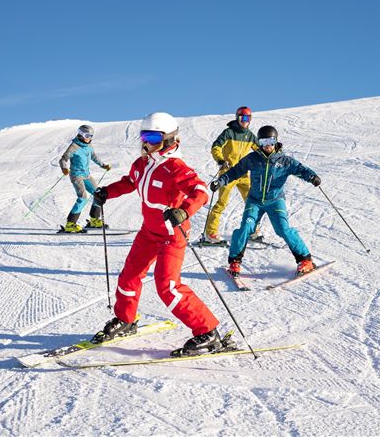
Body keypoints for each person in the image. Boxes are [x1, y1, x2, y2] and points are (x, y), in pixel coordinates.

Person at [91, 112, 223, 355]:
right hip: (149, 232)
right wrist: (108, 192)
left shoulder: (175, 167)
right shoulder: (141, 164)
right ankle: (126, 320)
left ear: (169, 139)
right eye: (143, 136)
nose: (146, 142)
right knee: (129, 275)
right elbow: (130, 182)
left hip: (173, 234)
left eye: (152, 136)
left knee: (168, 286)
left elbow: (200, 190)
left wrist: (184, 211)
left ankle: (208, 333)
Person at [210, 125, 322, 277]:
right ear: (259, 142)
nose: (267, 145)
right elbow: (235, 171)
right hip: (255, 200)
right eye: (263, 142)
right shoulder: (253, 158)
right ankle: (234, 263)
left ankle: (305, 260)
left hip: (275, 200)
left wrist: (311, 177)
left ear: (275, 141)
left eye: (270, 141)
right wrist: (221, 181)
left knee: (283, 229)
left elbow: (300, 169)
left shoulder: (284, 161)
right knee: (245, 229)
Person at [203, 106, 260, 244]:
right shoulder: (229, 133)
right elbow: (216, 147)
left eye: (248, 118)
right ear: (237, 118)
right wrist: (221, 160)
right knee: (221, 203)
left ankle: (252, 230)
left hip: (243, 173)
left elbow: (260, 151)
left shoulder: (250, 136)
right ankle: (210, 233)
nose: (245, 121)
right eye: (243, 118)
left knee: (252, 201)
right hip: (228, 173)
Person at [59, 124, 111, 233]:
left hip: (87, 175)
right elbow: (63, 159)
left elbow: (94, 157)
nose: (89, 138)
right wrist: (64, 168)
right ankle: (70, 224)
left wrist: (103, 165)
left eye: (91, 136)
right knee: (82, 197)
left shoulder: (89, 146)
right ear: (81, 134)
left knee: (98, 194)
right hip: (76, 175)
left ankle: (93, 220)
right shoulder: (74, 146)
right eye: (87, 135)